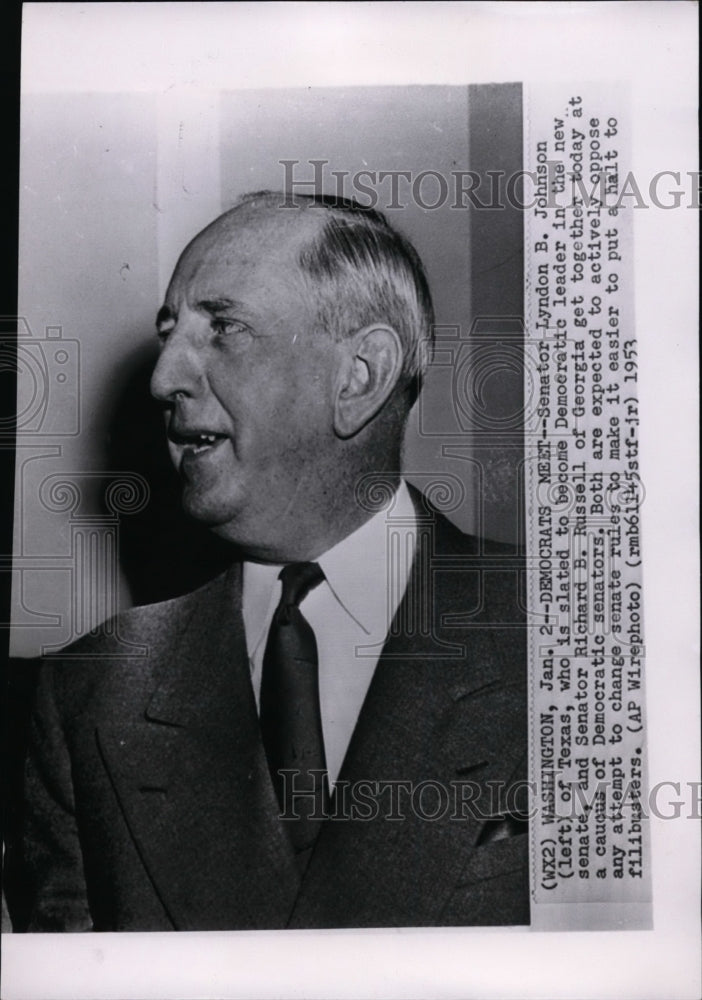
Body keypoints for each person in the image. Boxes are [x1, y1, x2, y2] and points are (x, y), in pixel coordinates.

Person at [19, 191, 529, 931]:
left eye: (223, 327)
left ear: (360, 376)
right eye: (170, 333)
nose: (164, 379)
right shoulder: (88, 696)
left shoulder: (578, 635)